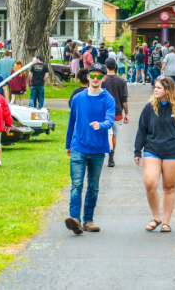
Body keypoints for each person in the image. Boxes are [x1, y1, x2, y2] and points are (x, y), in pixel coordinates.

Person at [134, 76, 175, 233]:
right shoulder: (149, 108)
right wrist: (137, 150)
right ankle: (156, 217)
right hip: (152, 150)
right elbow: (142, 129)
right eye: (155, 87)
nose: (155, 89)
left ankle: (166, 222)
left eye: (159, 87)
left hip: (174, 152)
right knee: (150, 183)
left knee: (169, 187)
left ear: (167, 90)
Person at [64, 63, 116, 234]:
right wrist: (68, 144)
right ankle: (75, 219)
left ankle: (88, 220)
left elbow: (109, 121)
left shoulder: (108, 99)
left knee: (93, 186)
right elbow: (71, 122)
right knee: (77, 184)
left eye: (99, 76)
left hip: (98, 149)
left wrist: (100, 125)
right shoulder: (78, 98)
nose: (95, 79)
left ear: (103, 78)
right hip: (79, 146)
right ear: (88, 77)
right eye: (92, 75)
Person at [102, 57, 129, 168]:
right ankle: (111, 156)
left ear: (106, 66)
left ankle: (109, 155)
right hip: (117, 112)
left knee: (108, 133)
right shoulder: (121, 80)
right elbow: (124, 99)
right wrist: (127, 113)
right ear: (115, 66)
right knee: (114, 135)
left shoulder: (102, 80)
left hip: (104, 112)